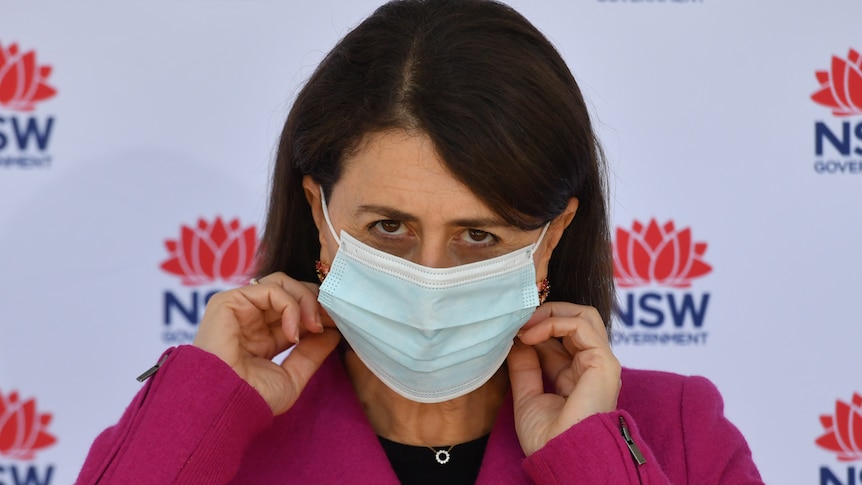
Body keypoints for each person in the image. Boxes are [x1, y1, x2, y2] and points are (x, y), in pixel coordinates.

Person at [75, 0, 764, 483]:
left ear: (551, 239)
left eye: (477, 234)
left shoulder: (676, 432)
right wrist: (200, 410)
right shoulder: (211, 435)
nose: (429, 277)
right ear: (319, 213)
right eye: (390, 227)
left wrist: (593, 462)